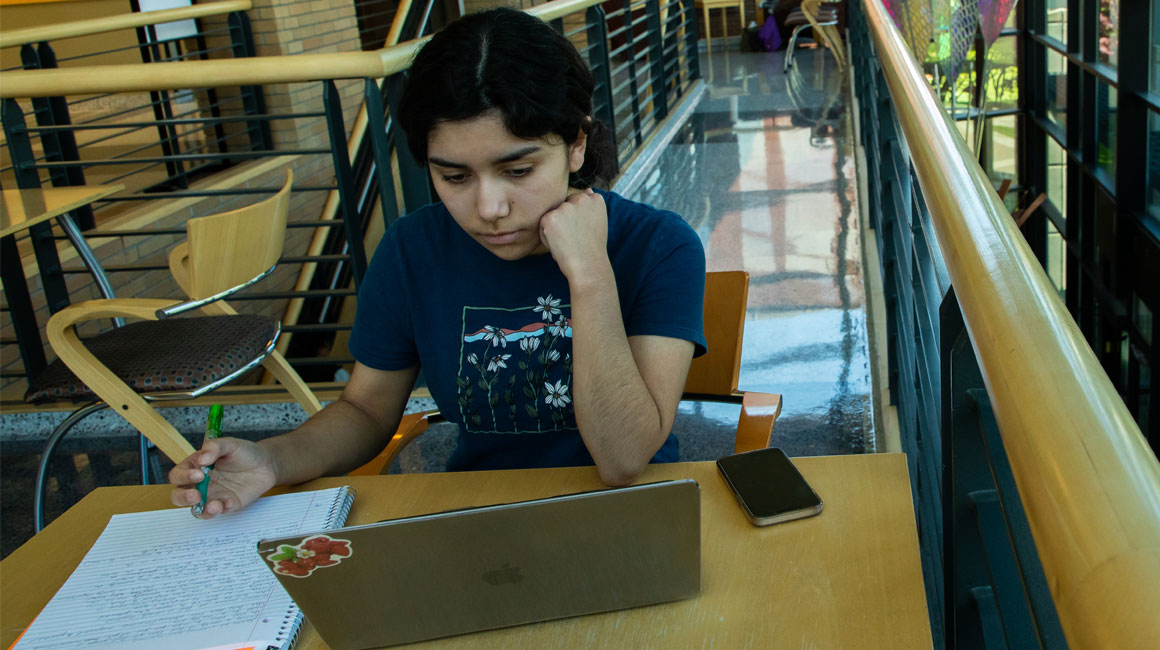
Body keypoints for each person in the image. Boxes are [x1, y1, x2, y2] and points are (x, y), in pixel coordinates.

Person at [169, 7, 707, 518]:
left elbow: (623, 459)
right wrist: (273, 460)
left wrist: (589, 274)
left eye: (518, 171)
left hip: (631, 514)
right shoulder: (412, 250)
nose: (489, 209)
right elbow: (367, 411)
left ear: (575, 145)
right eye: (454, 177)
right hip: (481, 519)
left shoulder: (658, 246)